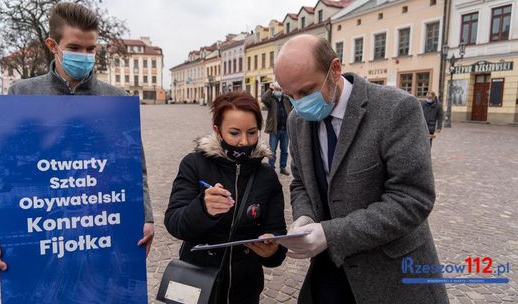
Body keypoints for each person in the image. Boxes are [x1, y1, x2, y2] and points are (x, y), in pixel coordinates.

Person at [0, 2, 154, 280]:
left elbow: (135, 169)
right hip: (41, 224)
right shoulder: (23, 95)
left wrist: (145, 217)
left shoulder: (116, 101)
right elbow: (5, 173)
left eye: (91, 49)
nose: (84, 56)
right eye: (75, 48)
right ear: (53, 45)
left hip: (98, 223)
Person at [275, 35, 449, 304]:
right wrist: (305, 217)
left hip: (391, 277)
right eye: (290, 95)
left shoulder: (396, 109)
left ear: (335, 69)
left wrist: (331, 234)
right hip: (328, 275)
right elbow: (300, 183)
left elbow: (413, 199)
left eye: (307, 91)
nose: (298, 103)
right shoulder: (297, 121)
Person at [164, 92, 287, 304]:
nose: (244, 142)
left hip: (244, 288)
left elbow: (278, 238)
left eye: (252, 132)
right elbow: (174, 223)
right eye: (234, 132)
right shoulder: (194, 164)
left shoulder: (267, 176)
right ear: (217, 131)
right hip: (196, 282)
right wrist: (203, 209)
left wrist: (272, 250)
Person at [261, 82, 293, 175]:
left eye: (279, 90)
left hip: (285, 129)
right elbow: (264, 98)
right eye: (276, 90)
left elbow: (294, 98)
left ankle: (283, 167)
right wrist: (270, 89)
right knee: (272, 150)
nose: (278, 92)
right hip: (275, 130)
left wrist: (286, 88)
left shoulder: (287, 99)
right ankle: (271, 168)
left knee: (284, 150)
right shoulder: (271, 100)